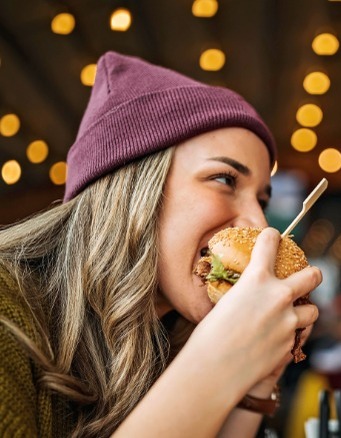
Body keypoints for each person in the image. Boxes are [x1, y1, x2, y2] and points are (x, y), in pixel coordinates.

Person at [0, 51, 321, 436]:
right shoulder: (9, 314)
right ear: (134, 188)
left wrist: (257, 378)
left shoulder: (167, 340)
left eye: (262, 201)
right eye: (225, 179)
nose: (259, 224)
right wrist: (215, 364)